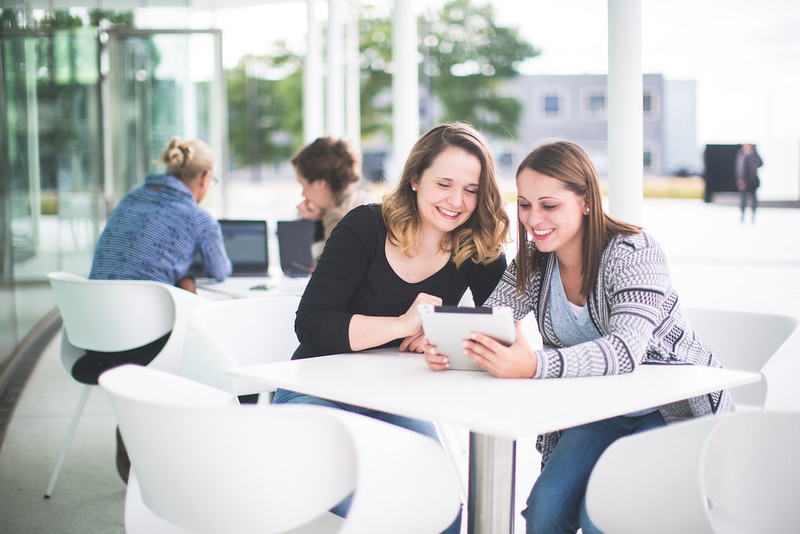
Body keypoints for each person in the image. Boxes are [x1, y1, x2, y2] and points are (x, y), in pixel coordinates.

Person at [424, 140, 735, 534]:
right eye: (524, 204)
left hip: (670, 412)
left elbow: (627, 351)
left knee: (601, 516)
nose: (533, 218)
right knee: (544, 514)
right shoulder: (535, 261)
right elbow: (490, 321)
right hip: (600, 412)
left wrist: (534, 364)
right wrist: (449, 345)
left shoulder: (634, 252)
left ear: (586, 201)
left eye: (549, 205)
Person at [274, 122, 511, 532]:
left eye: (471, 189)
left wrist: (443, 336)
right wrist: (403, 325)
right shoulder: (365, 226)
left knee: (442, 511)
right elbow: (311, 325)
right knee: (387, 504)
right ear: (415, 178)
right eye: (445, 184)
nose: (457, 201)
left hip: (398, 399)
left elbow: (499, 329)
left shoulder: (476, 245)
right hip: (319, 390)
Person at [87, 136, 231, 482]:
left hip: (92, 337)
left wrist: (178, 268)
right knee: (218, 353)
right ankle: (197, 452)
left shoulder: (129, 199)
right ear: (204, 177)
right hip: (144, 342)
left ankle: (141, 433)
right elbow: (221, 271)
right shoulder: (198, 218)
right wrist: (186, 272)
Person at [291, 136, 374, 263]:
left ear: (320, 183)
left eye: (303, 185)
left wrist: (317, 228)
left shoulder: (339, 218)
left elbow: (321, 276)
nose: (303, 194)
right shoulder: (364, 199)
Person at [735, 143, 763, 222]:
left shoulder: (754, 155)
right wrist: (740, 179)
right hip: (744, 180)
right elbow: (739, 168)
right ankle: (742, 215)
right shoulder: (741, 155)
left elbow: (760, 163)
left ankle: (753, 215)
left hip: (752, 180)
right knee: (743, 199)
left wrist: (753, 154)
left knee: (753, 199)